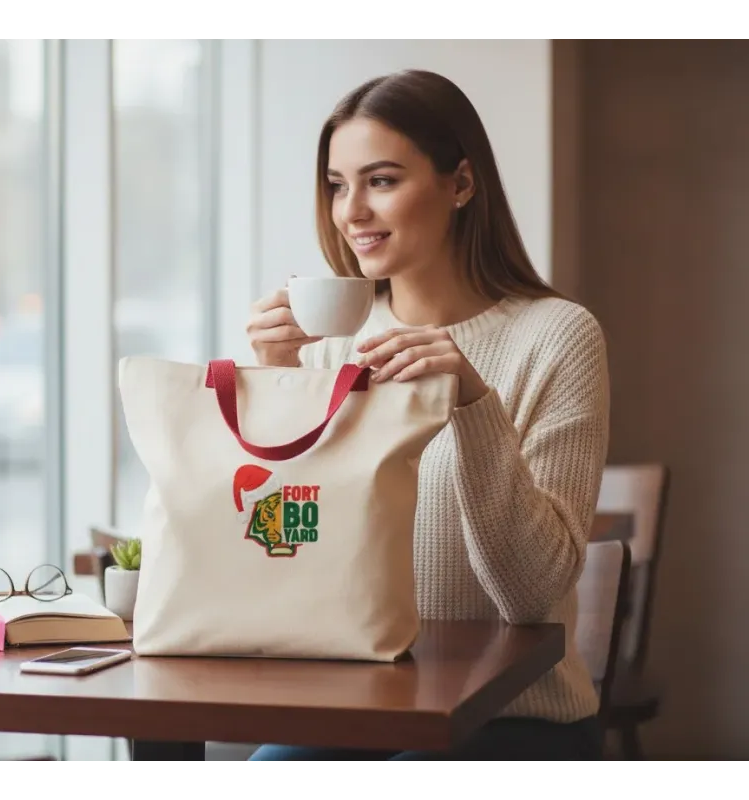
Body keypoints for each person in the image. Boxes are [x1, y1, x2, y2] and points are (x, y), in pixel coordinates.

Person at [132, 68, 609, 768]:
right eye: (336, 184)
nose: (350, 210)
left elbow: (532, 599)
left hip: (516, 716)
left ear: (461, 184)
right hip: (355, 708)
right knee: (267, 773)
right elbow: (282, 552)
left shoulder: (558, 336)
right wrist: (279, 389)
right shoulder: (326, 347)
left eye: (381, 180)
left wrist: (474, 406)